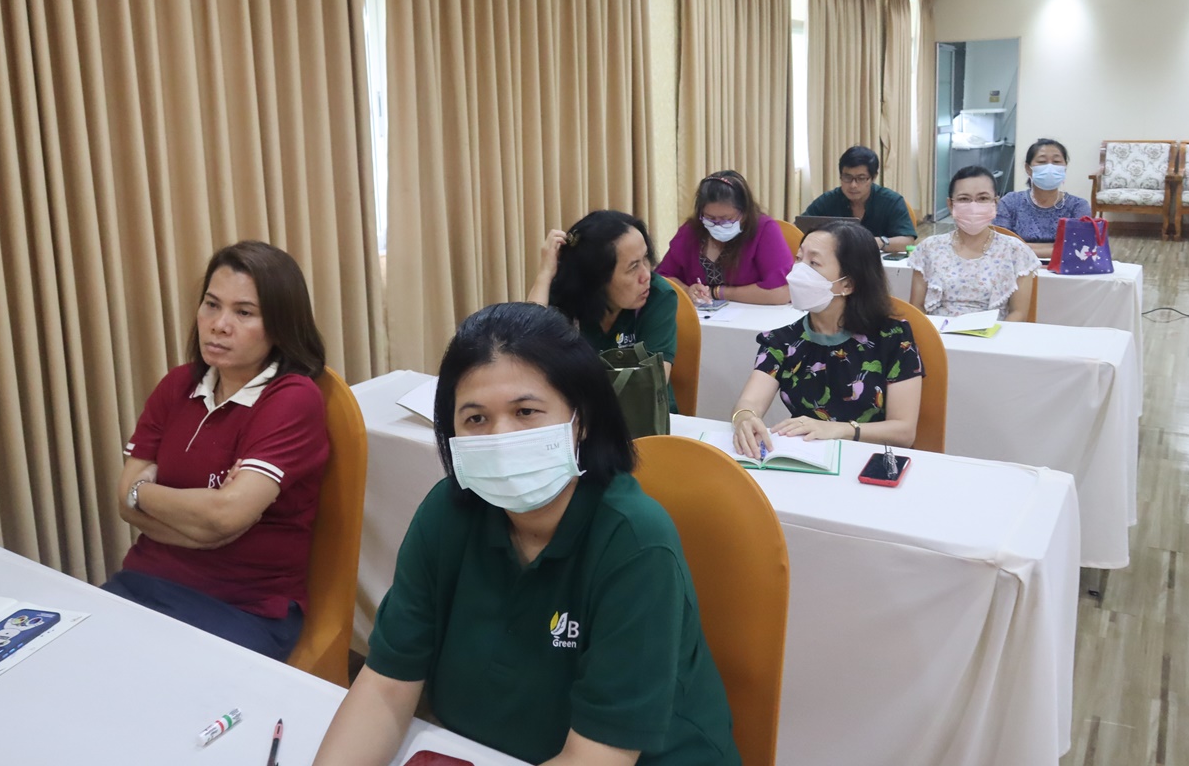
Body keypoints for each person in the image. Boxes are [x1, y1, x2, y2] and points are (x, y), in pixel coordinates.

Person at [311, 303, 740, 766]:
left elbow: (597, 758)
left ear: (582, 418)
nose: (501, 438)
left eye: (526, 411)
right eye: (475, 419)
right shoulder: (447, 513)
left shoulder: (634, 543)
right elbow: (385, 687)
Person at [102, 240, 328, 660]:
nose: (219, 325)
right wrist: (203, 527)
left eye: (244, 312)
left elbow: (224, 516)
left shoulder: (293, 398)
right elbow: (124, 503)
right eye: (211, 305)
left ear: (280, 324)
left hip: (243, 606)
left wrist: (143, 493)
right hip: (143, 582)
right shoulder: (177, 385)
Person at [728, 220, 923, 457]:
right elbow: (750, 402)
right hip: (809, 457)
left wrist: (838, 429)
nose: (798, 272)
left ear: (847, 284)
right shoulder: (783, 341)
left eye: (814, 263)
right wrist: (744, 418)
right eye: (799, 259)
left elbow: (904, 432)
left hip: (873, 459)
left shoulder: (892, 337)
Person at [529, 210, 678, 411]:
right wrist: (545, 274)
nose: (646, 275)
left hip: (643, 415)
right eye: (633, 267)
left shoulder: (658, 296)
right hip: (578, 415)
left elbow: (651, 386)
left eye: (645, 258)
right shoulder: (565, 296)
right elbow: (526, 354)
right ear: (597, 279)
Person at [910, 167, 1039, 321]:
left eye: (983, 198)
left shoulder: (1016, 251)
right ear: (950, 204)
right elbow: (917, 308)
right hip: (938, 332)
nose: (973, 206)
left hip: (995, 332)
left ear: (995, 202)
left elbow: (1018, 313)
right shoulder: (929, 248)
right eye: (964, 199)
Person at [656, 170, 794, 305]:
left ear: (745, 212)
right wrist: (687, 290)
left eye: (726, 219)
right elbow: (662, 277)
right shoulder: (691, 230)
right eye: (710, 218)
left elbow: (781, 292)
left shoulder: (764, 229)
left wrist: (717, 292)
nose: (717, 225)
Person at [802, 145, 916, 253]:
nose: (853, 185)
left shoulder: (891, 201)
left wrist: (876, 242)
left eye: (861, 178)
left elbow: (907, 241)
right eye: (847, 177)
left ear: (873, 177)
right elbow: (800, 229)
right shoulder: (829, 200)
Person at [994, 138, 1091, 257]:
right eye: (1042, 161)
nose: (1050, 167)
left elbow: (1080, 247)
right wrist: (1059, 248)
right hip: (1018, 266)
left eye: (1056, 161)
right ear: (1028, 169)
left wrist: (1022, 247)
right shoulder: (1010, 202)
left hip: (1065, 267)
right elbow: (1001, 244)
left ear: (1065, 168)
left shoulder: (1078, 206)